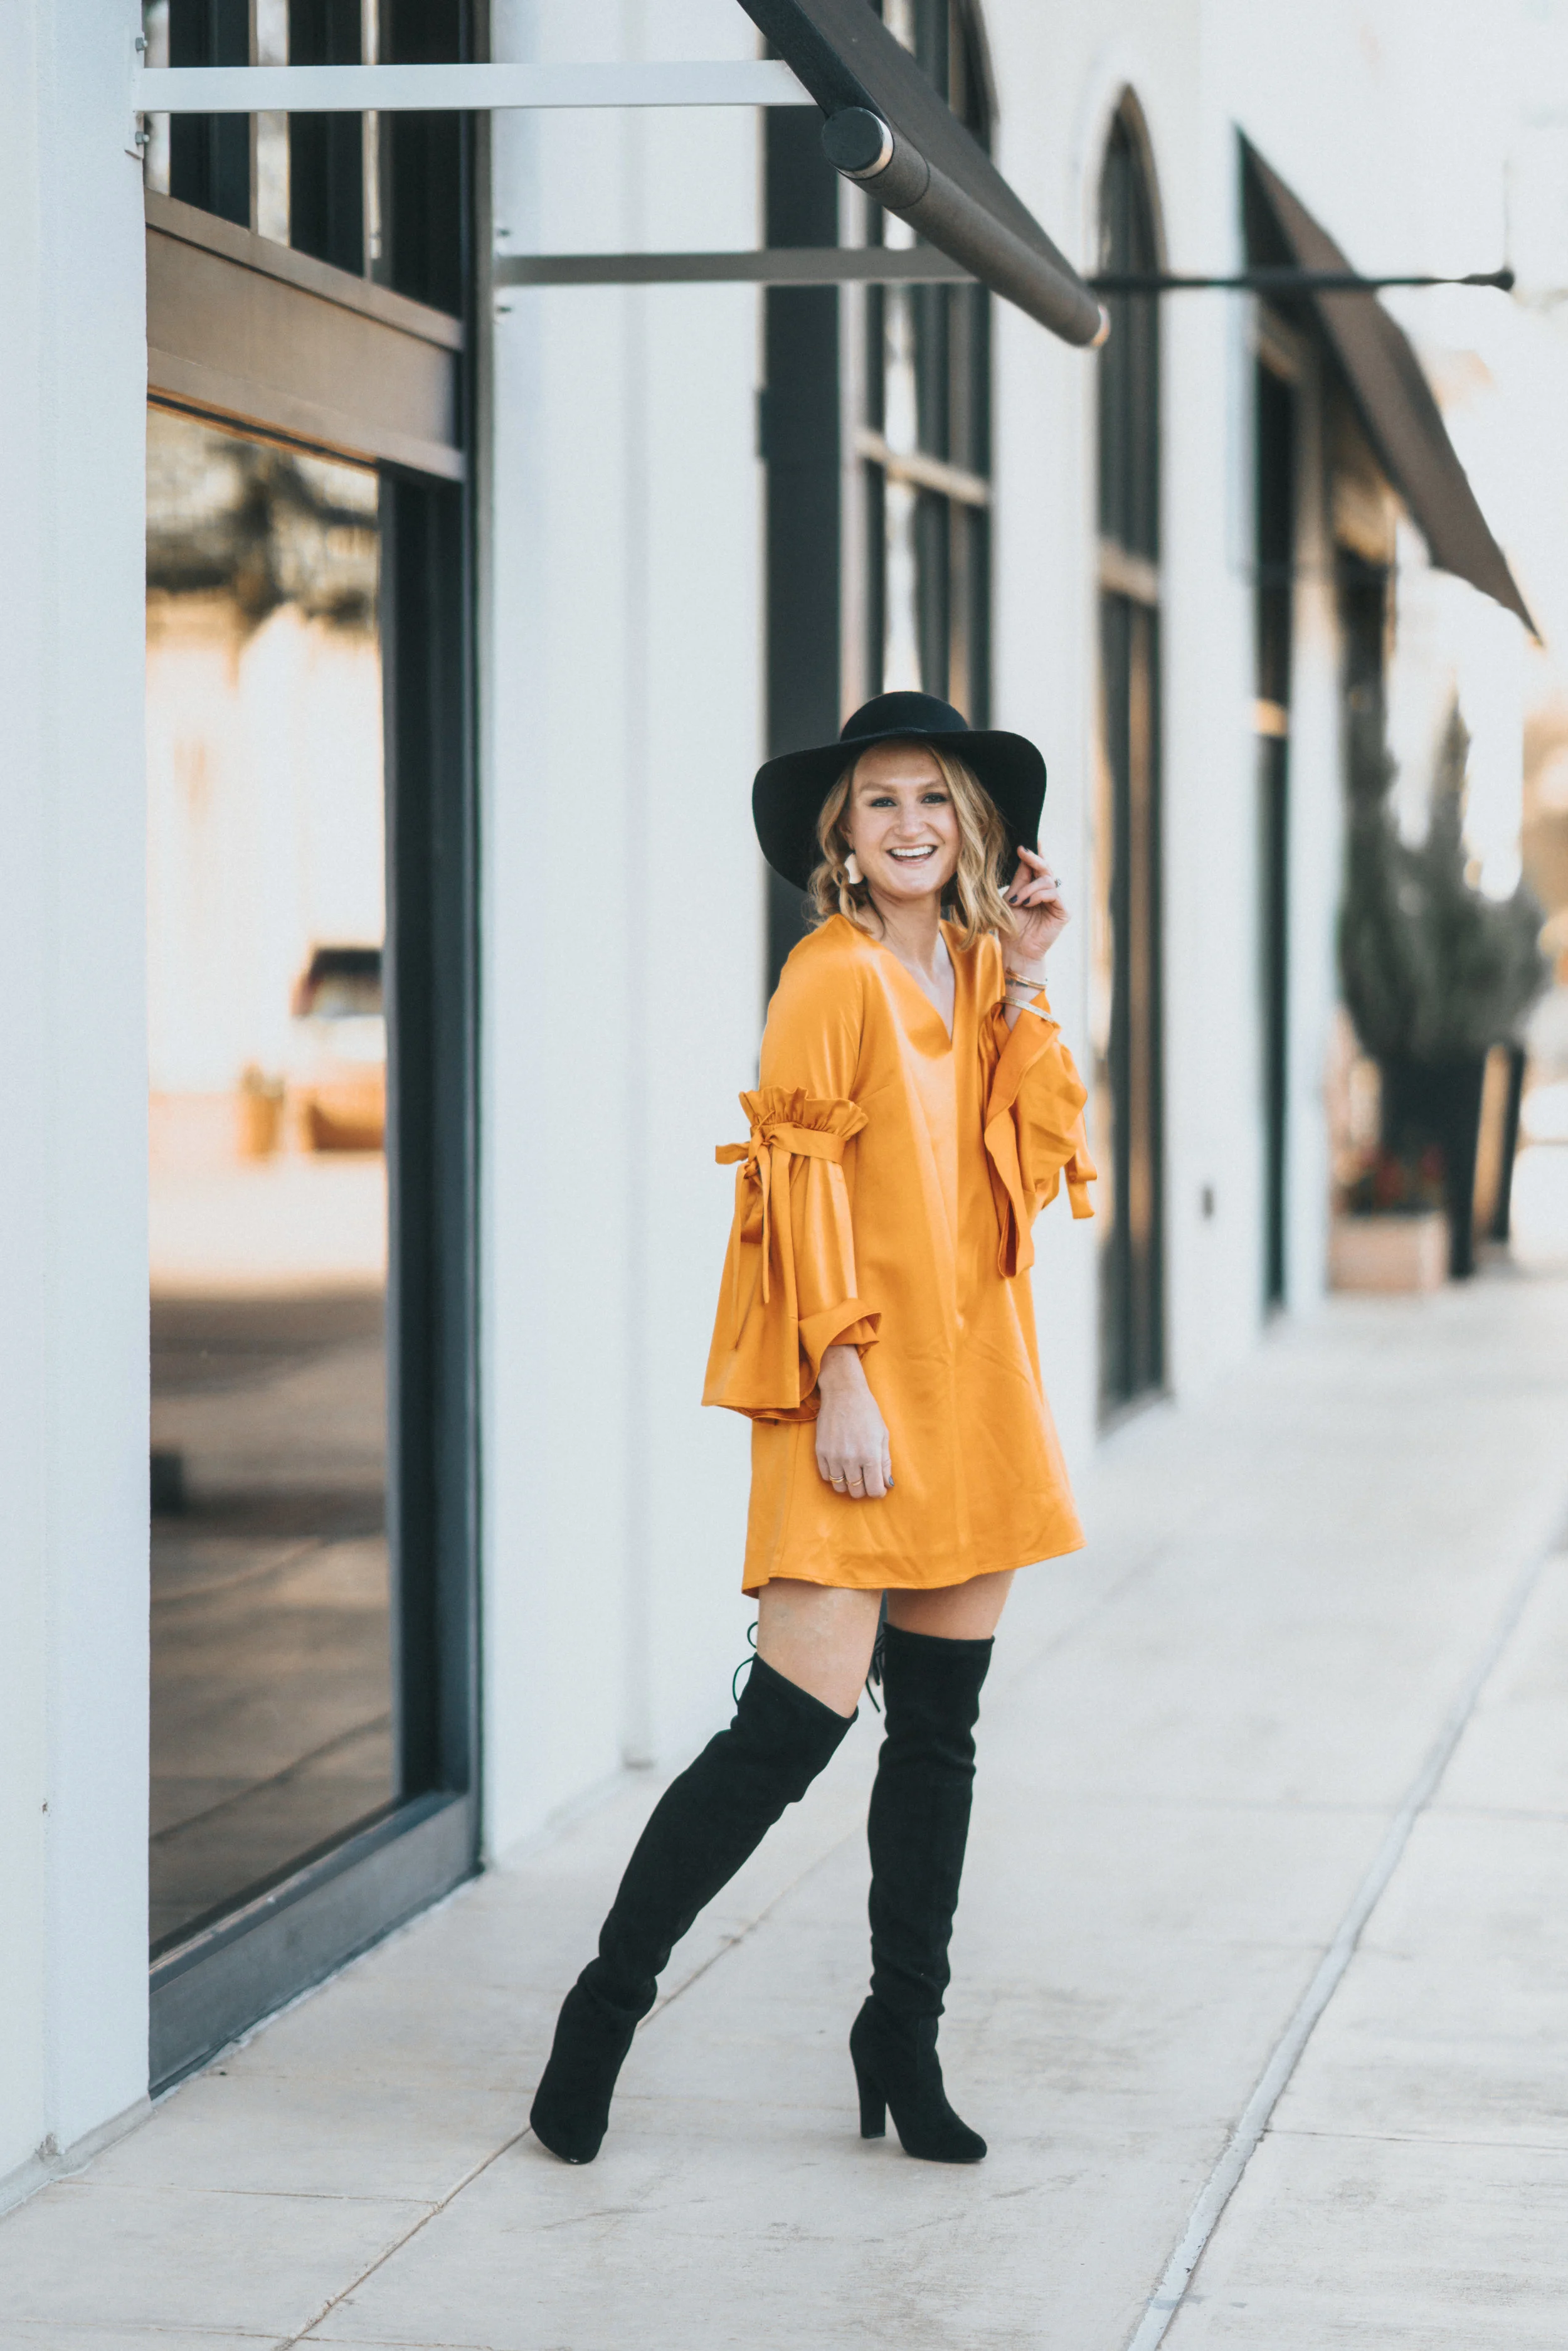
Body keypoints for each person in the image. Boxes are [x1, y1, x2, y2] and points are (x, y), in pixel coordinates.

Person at [530, 690, 1095, 2167]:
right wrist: (839, 1376)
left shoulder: (978, 970)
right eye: (880, 801)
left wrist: (1029, 984)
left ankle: (898, 2032)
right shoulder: (825, 976)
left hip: (974, 1393)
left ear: (971, 827)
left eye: (935, 799)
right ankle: (601, 2008)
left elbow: (1025, 1180)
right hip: (856, 1394)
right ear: (838, 836)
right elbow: (792, 1190)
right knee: (785, 1730)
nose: (911, 824)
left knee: (939, 1737)